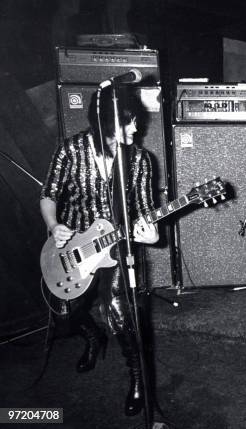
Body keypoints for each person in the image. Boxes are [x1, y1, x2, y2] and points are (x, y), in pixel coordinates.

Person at [40, 87, 158, 416]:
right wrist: (54, 226)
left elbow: (148, 213)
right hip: (73, 246)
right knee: (65, 314)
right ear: (106, 122)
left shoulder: (139, 160)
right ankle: (93, 338)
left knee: (120, 312)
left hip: (117, 247)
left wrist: (149, 237)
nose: (137, 129)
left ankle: (138, 379)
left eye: (136, 121)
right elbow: (48, 195)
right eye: (129, 122)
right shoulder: (71, 150)